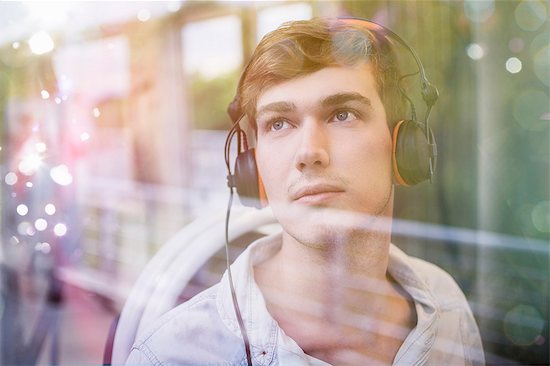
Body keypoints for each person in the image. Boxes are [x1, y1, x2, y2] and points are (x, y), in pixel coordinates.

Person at [126, 17, 484, 365]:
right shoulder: (174, 355)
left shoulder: (446, 307)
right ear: (252, 168)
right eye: (279, 123)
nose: (309, 152)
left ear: (402, 146)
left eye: (343, 114)